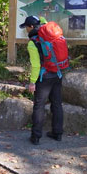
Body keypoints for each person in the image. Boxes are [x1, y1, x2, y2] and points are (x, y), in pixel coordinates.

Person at [20, 16, 64, 145]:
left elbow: (36, 65)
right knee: (57, 104)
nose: (26, 30)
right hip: (57, 73)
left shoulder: (32, 42)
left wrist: (32, 81)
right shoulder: (51, 35)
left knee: (39, 106)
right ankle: (57, 133)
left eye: (27, 27)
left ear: (32, 27)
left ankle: (36, 136)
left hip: (43, 77)